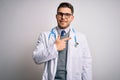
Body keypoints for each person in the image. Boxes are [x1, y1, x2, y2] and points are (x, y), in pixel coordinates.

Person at [33, 2, 92, 80]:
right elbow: (36, 58)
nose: (63, 17)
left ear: (72, 18)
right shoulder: (45, 36)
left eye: (67, 15)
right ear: (56, 16)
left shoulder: (81, 38)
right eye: (60, 14)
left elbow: (86, 65)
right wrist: (55, 47)